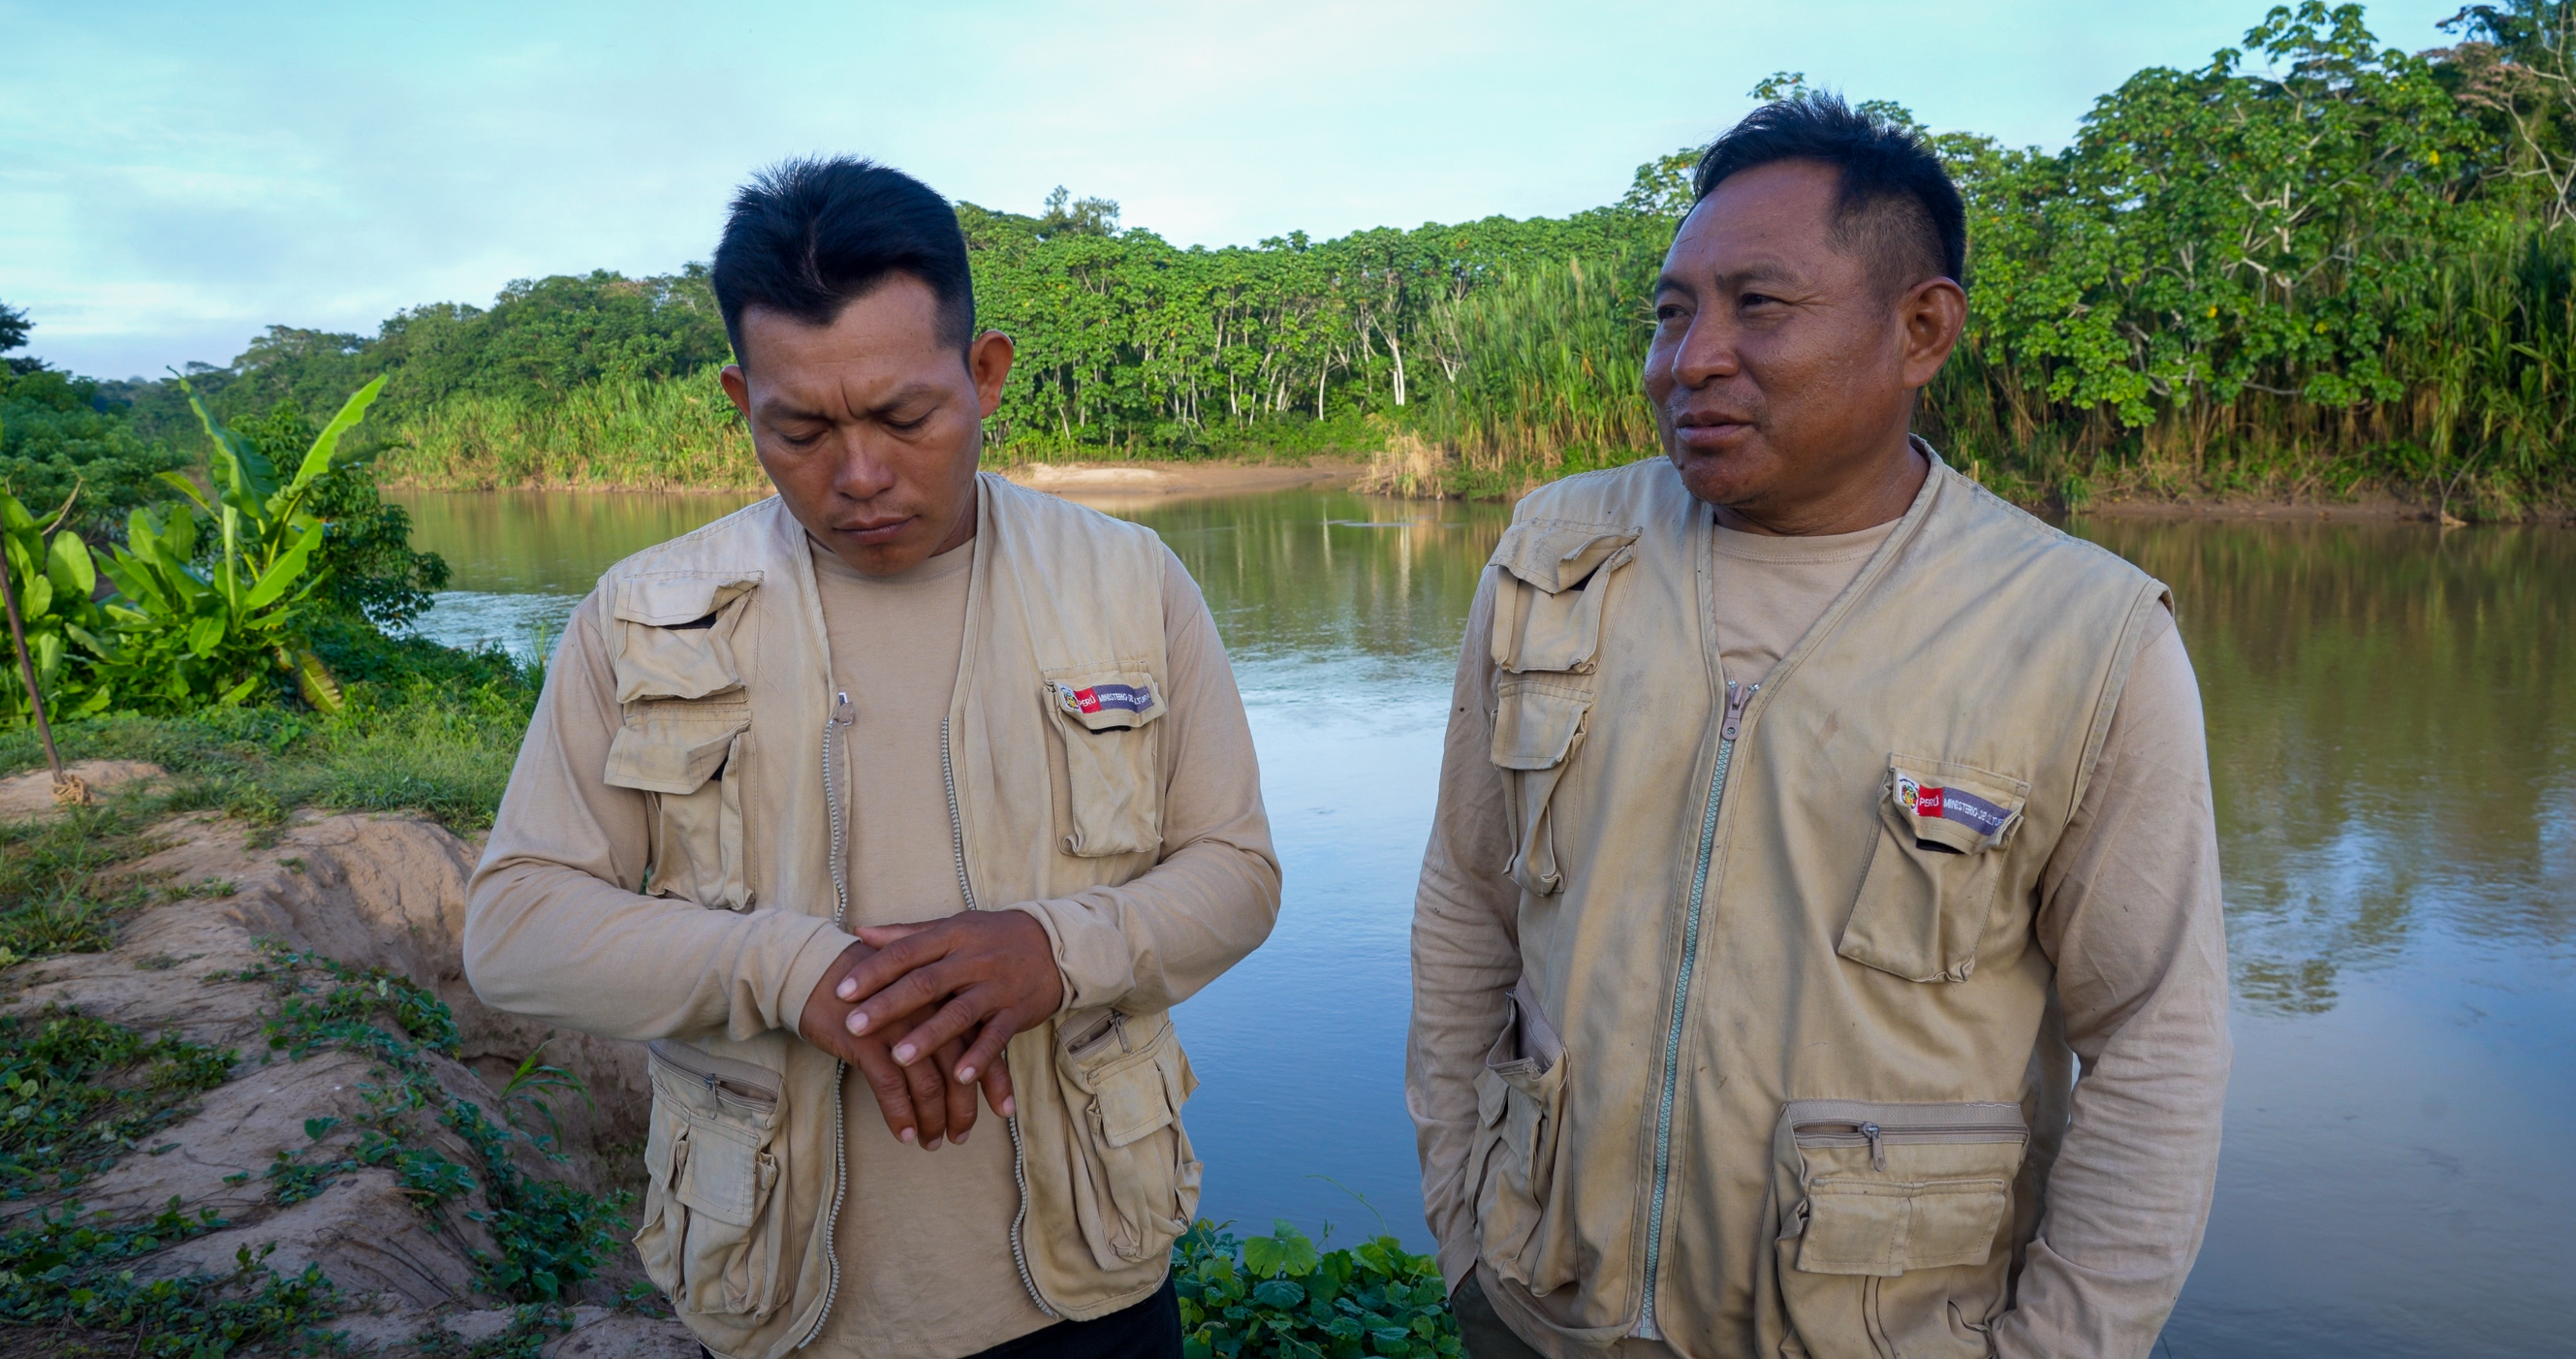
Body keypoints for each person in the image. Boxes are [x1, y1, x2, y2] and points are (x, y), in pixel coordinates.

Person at [1405, 95, 2229, 1359]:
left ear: (1919, 327)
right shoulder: (1555, 557)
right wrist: (1462, 1231)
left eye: (1758, 306)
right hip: (1539, 1309)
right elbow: (1468, 899)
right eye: (1670, 312)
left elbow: (2154, 1046)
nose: (1690, 359)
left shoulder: (2085, 635)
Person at [463, 156, 1280, 1359]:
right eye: (798, 429)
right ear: (742, 400)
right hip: (776, 1295)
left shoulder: (1129, 584)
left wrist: (1054, 952)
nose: (858, 475)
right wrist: (797, 973)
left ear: (985, 372)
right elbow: (515, 927)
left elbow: (1237, 871)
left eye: (906, 417)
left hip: (1090, 1291)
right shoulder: (643, 614)